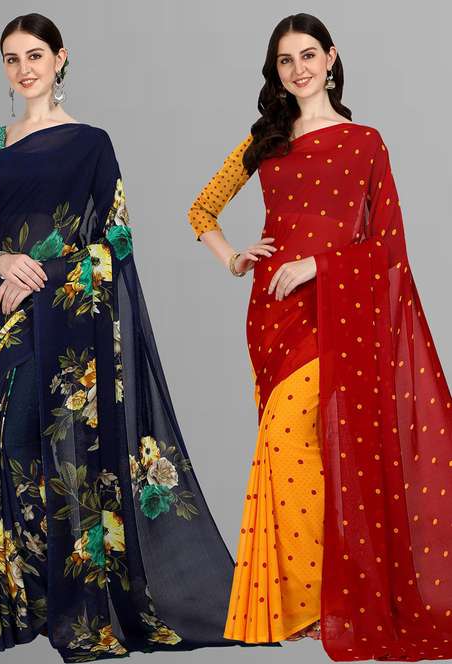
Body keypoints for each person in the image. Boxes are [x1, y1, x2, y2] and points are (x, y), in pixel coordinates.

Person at [0, 12, 278, 660]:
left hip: (66, 317)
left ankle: (73, 604)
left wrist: (43, 271)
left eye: (35, 55)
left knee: (65, 454)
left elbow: (117, 240)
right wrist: (1, 261)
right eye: (12, 59)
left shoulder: (92, 144)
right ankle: (18, 601)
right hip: (2, 319)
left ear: (60, 58)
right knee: (8, 448)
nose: (24, 69)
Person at [187, 12, 452, 661]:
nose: (299, 69)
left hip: (339, 312)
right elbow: (202, 209)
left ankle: (330, 602)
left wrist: (318, 266)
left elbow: (388, 249)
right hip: (274, 317)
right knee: (290, 452)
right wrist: (233, 258)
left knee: (323, 451)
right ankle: (308, 608)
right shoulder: (266, 140)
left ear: (331, 58)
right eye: (286, 60)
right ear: (275, 71)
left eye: (308, 55)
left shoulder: (365, 142)